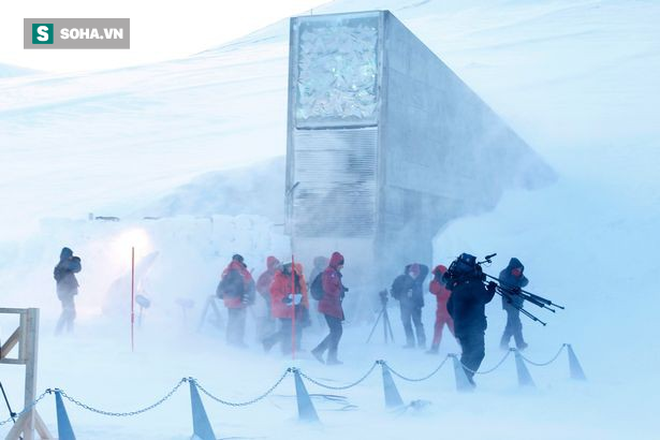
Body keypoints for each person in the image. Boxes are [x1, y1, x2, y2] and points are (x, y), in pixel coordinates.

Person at [444, 253, 497, 386]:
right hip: (474, 327)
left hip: (460, 327)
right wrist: (492, 288)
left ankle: (463, 379)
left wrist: (458, 318)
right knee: (478, 353)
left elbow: (449, 306)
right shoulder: (474, 283)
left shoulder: (458, 285)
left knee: (467, 353)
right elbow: (484, 298)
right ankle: (465, 378)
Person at [262, 262, 309, 354]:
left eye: (292, 267)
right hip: (282, 308)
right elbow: (274, 291)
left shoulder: (294, 277)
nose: (291, 269)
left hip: (293, 307)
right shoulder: (278, 277)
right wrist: (283, 298)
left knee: (292, 329)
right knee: (287, 330)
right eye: (289, 267)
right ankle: (273, 344)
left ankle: (287, 348)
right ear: (284, 268)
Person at [311, 252, 347, 365]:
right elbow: (329, 289)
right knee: (337, 331)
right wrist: (339, 291)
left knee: (336, 332)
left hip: (332, 306)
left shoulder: (333, 273)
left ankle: (329, 356)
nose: (342, 266)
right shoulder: (329, 273)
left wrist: (342, 288)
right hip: (329, 306)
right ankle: (321, 352)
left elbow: (334, 286)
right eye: (341, 264)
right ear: (336, 263)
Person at [218, 254, 255, 347]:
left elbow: (222, 281)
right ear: (241, 261)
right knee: (240, 322)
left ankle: (229, 341)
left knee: (231, 321)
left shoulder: (226, 271)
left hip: (229, 301)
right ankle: (239, 342)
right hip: (240, 301)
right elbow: (251, 284)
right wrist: (251, 298)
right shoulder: (243, 271)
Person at [390, 263, 428, 349]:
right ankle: (410, 342)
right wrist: (401, 297)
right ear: (410, 272)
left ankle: (422, 343)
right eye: (413, 273)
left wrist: (414, 265)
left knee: (418, 324)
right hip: (404, 306)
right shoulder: (402, 279)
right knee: (406, 323)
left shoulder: (419, 278)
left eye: (417, 273)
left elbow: (425, 268)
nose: (415, 275)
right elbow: (394, 290)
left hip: (416, 306)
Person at [499, 257, 529, 351]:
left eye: (520, 269)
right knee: (516, 324)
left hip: (517, 302)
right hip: (509, 302)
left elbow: (525, 282)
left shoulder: (517, 274)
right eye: (518, 268)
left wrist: (520, 276)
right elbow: (505, 285)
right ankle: (520, 344)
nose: (519, 270)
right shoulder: (504, 273)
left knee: (510, 325)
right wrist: (515, 279)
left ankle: (503, 343)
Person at [427, 264, 455, 354]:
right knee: (454, 331)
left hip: (443, 313)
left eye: (436, 274)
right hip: (450, 312)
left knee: (439, 330)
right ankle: (464, 346)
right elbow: (433, 291)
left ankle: (435, 348)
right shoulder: (451, 281)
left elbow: (433, 290)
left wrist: (437, 281)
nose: (435, 276)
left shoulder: (438, 283)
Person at [54, 247, 81, 335]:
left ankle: (68, 331)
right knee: (68, 312)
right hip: (66, 292)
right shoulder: (65, 263)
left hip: (65, 292)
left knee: (70, 313)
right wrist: (77, 260)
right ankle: (59, 332)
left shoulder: (62, 264)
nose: (71, 257)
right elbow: (77, 268)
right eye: (70, 255)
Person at [256, 256, 281, 338]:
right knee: (270, 317)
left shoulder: (280, 273)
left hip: (280, 300)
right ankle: (267, 335)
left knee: (279, 318)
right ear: (270, 265)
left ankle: (276, 335)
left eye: (277, 263)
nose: (276, 265)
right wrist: (266, 295)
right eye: (274, 264)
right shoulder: (265, 275)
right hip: (269, 300)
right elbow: (259, 287)